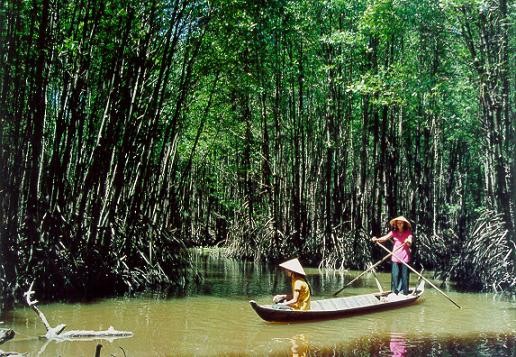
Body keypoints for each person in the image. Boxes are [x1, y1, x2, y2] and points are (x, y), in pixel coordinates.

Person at [371, 216, 413, 295]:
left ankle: (404, 292)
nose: (399, 224)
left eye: (401, 223)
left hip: (405, 257)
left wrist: (408, 241)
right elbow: (384, 238)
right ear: (396, 224)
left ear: (404, 224)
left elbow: (410, 241)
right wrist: (376, 239)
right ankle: (394, 292)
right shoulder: (393, 232)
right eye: (398, 223)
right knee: (395, 275)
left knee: (404, 276)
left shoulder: (408, 232)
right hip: (395, 257)